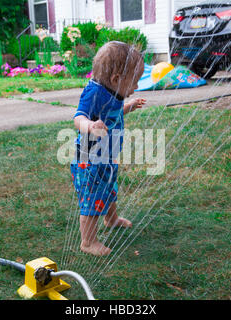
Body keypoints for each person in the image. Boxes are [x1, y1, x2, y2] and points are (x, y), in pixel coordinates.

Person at [70, 41, 146, 256]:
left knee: (109, 189)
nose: (136, 87)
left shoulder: (113, 92)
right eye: (135, 81)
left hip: (107, 156)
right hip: (89, 159)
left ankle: (111, 219)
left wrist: (127, 107)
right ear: (116, 79)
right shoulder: (93, 93)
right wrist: (90, 126)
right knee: (93, 198)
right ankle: (88, 242)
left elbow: (112, 114)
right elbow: (78, 117)